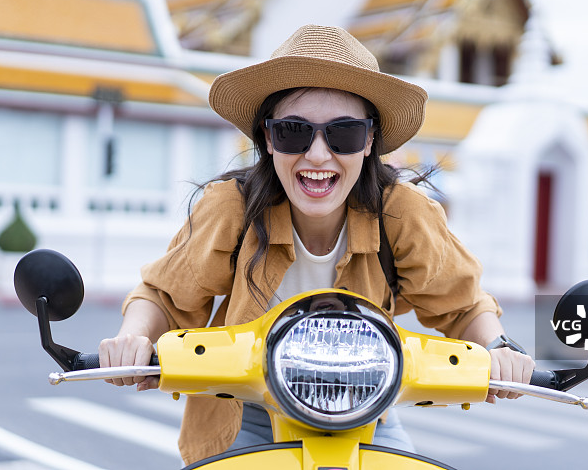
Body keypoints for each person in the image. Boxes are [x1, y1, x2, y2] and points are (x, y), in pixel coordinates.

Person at [98, 24, 535, 465]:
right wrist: (132, 338)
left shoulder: (404, 213)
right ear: (268, 140)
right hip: (247, 409)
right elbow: (165, 295)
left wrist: (498, 349)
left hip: (367, 408)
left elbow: (462, 305)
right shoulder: (230, 208)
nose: (319, 156)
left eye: (343, 133)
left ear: (369, 142)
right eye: (293, 131)